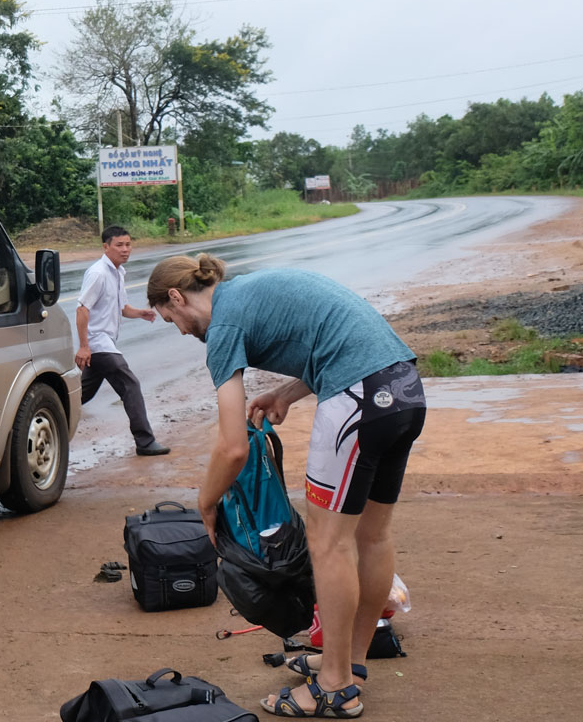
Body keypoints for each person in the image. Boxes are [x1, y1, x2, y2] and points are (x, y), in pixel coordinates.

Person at [145, 254, 425, 720]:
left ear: (176, 297)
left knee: (327, 544)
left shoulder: (223, 327)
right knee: (372, 537)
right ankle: (349, 662)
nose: (177, 329)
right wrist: (287, 394)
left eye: (169, 317)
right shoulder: (249, 295)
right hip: (403, 390)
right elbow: (330, 341)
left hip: (357, 400)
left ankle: (335, 687)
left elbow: (233, 447)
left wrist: (206, 501)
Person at [76, 225, 169, 457]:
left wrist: (140, 313)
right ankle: (145, 442)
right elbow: (82, 309)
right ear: (105, 247)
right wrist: (84, 346)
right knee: (131, 385)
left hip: (104, 344)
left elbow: (121, 308)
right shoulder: (98, 273)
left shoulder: (118, 272)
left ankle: (40, 414)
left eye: (128, 244)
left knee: (79, 396)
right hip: (98, 344)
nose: (125, 250)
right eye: (119, 245)